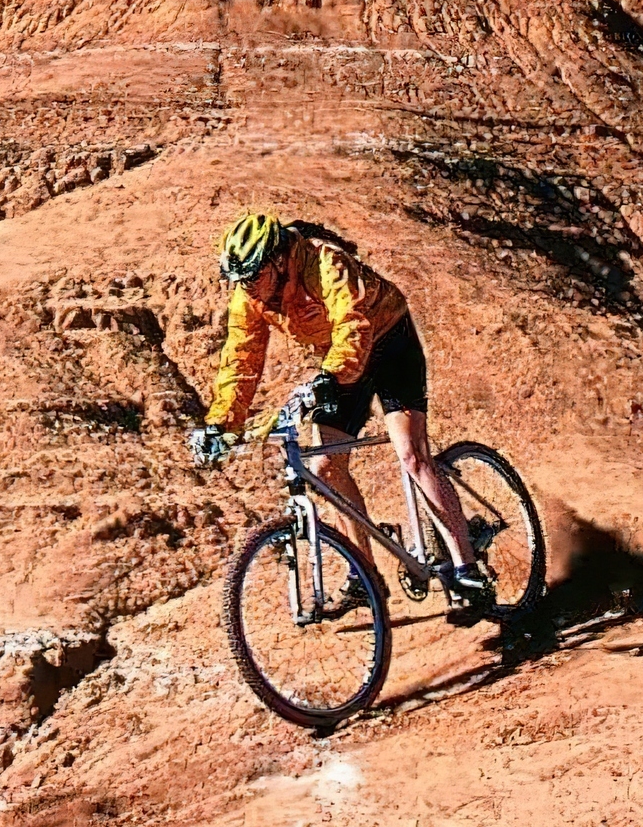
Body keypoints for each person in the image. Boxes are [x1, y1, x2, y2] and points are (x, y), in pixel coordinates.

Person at [189, 211, 495, 620]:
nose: (247, 288)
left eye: (253, 276)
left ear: (278, 261)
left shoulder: (323, 262)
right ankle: (364, 575)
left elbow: (353, 322)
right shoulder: (251, 296)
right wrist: (220, 423)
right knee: (326, 468)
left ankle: (466, 569)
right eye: (240, 281)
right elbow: (241, 359)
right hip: (337, 361)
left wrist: (332, 376)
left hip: (387, 340)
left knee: (411, 454)